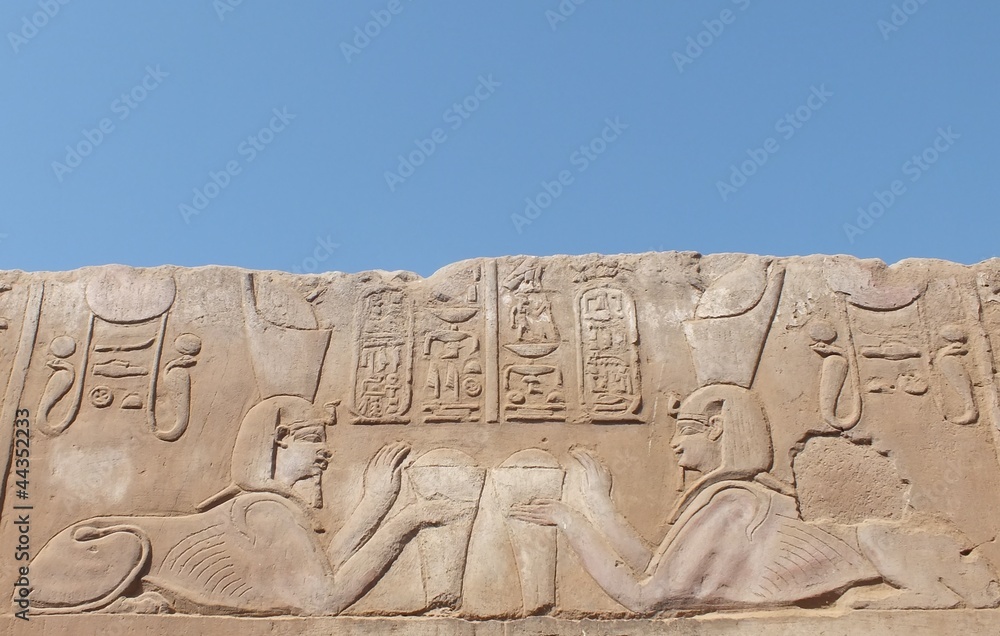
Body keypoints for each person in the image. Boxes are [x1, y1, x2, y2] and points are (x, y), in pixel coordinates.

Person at [513, 384, 1000, 612]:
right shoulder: (727, 499)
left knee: (881, 542)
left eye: (685, 431)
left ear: (717, 429)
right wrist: (598, 505)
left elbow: (646, 597)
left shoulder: (736, 504)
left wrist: (570, 522)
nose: (674, 444)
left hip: (903, 560)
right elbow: (654, 565)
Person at [30, 396, 458, 615]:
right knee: (125, 545)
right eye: (313, 439)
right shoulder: (261, 511)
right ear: (278, 441)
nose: (325, 452)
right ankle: (103, 601)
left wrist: (378, 501)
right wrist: (406, 521)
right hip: (81, 552)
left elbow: (324, 568)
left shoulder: (270, 509)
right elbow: (324, 600)